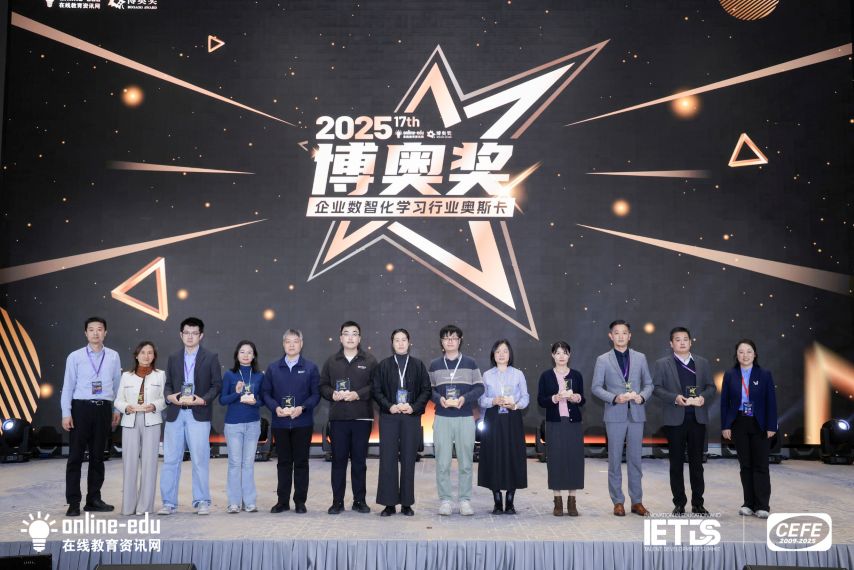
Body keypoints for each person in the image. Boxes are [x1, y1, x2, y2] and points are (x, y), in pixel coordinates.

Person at [159, 317, 222, 516]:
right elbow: (168, 384)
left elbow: (216, 385)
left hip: (198, 414)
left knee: (200, 460)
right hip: (176, 414)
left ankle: (202, 501)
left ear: (201, 336)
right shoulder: (173, 357)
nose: (190, 337)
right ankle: (168, 503)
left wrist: (203, 400)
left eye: (194, 333)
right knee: (171, 460)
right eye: (186, 333)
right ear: (181, 335)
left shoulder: (210, 357)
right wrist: (169, 397)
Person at [591, 319, 653, 517]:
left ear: (630, 336)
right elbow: (596, 387)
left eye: (624, 332)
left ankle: (637, 501)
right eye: (616, 333)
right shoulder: (603, 359)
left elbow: (649, 384)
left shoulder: (640, 358)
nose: (620, 336)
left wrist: (641, 396)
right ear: (611, 336)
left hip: (636, 414)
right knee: (615, 459)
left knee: (635, 460)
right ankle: (618, 501)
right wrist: (614, 397)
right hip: (614, 414)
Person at [61, 316, 122, 516]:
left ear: (105, 332)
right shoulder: (75, 356)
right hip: (81, 409)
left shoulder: (113, 356)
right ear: (85, 333)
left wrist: (116, 410)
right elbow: (68, 386)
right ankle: (73, 502)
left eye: (100, 329)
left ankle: (93, 499)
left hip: (103, 409)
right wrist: (66, 413)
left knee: (98, 457)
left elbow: (117, 385)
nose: (96, 333)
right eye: (91, 329)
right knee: (75, 457)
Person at [652, 327, 716, 515]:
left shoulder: (702, 363)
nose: (682, 342)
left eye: (685, 339)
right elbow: (656, 388)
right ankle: (679, 503)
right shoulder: (662, 364)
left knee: (697, 464)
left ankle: (698, 503)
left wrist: (703, 397)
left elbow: (711, 387)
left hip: (697, 419)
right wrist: (674, 398)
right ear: (671, 344)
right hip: (675, 420)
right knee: (676, 464)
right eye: (677, 339)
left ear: (690, 342)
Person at [371, 328, 432, 517]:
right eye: (396, 340)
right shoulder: (383, 365)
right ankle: (389, 504)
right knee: (387, 459)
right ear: (392, 343)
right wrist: (389, 406)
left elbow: (426, 390)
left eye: (403, 339)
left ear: (409, 342)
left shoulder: (418, 365)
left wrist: (413, 407)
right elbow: (376, 390)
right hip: (389, 416)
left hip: (410, 417)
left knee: (408, 459)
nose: (400, 343)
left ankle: (406, 503)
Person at [319, 321, 377, 514]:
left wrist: (357, 394)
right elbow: (323, 385)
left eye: (354, 333)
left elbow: (376, 386)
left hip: (362, 418)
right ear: (341, 338)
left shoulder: (370, 360)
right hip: (338, 419)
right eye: (346, 333)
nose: (350, 337)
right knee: (339, 461)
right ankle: (337, 502)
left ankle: (359, 501)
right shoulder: (331, 361)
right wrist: (332, 394)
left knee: (359, 462)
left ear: (359, 338)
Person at [262, 329, 320, 514]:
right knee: (283, 463)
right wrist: (275, 408)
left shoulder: (310, 368)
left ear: (301, 344)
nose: (292, 345)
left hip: (302, 423)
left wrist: (302, 408)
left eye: (296, 341)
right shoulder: (273, 368)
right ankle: (282, 501)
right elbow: (265, 393)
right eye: (288, 341)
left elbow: (315, 395)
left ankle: (300, 501)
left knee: (301, 463)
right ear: (283, 344)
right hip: (280, 423)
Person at [428, 324, 484, 516]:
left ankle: (464, 500)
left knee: (466, 462)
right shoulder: (435, 364)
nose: (450, 341)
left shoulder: (470, 363)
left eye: (454, 338)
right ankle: (445, 500)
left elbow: (480, 387)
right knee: (442, 462)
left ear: (460, 341)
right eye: (446, 338)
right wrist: (439, 399)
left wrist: (464, 399)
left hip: (465, 417)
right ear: (441, 342)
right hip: (442, 418)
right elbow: (429, 389)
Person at [720, 339, 778, 519]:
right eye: (741, 352)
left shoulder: (764, 374)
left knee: (761, 464)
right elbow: (724, 403)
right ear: (736, 355)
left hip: (760, 424)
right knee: (745, 465)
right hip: (739, 423)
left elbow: (771, 401)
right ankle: (748, 504)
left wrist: (771, 425)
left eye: (749, 351)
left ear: (755, 354)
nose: (745, 355)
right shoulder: (730, 375)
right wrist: (725, 425)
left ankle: (762, 505)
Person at [477, 339, 529, 515]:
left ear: (510, 354)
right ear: (493, 354)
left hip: (512, 418)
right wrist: (493, 400)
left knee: (513, 455)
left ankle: (511, 499)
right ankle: (497, 500)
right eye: (498, 351)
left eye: (505, 351)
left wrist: (515, 405)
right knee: (494, 456)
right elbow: (481, 400)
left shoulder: (518, 374)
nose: (501, 354)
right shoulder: (486, 375)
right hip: (493, 419)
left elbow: (526, 397)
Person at [114, 341, 165, 516]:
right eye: (143, 352)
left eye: (150, 352)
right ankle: (128, 507)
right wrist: (126, 407)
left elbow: (164, 399)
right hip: (130, 421)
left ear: (154, 356)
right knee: (129, 464)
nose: (146, 356)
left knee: (150, 464)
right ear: (136, 355)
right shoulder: (126, 376)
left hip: (152, 421)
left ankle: (145, 507)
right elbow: (118, 400)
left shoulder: (160, 375)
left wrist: (154, 405)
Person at [537, 341, 585, 517]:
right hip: (554, 423)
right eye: (557, 353)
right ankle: (557, 500)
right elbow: (541, 400)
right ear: (553, 356)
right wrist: (555, 398)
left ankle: (572, 500)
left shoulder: (576, 375)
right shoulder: (546, 376)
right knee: (555, 460)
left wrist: (577, 398)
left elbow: (583, 399)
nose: (561, 356)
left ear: (569, 355)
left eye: (565, 352)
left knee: (574, 460)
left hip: (573, 424)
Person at [219, 340, 265, 514]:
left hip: (253, 424)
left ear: (254, 356)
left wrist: (255, 402)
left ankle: (249, 501)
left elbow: (262, 400)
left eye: (249, 352)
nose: (246, 355)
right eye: (242, 352)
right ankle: (233, 502)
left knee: (248, 463)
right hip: (233, 425)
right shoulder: (229, 375)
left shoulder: (259, 376)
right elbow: (222, 400)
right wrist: (236, 393)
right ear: (237, 355)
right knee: (234, 463)